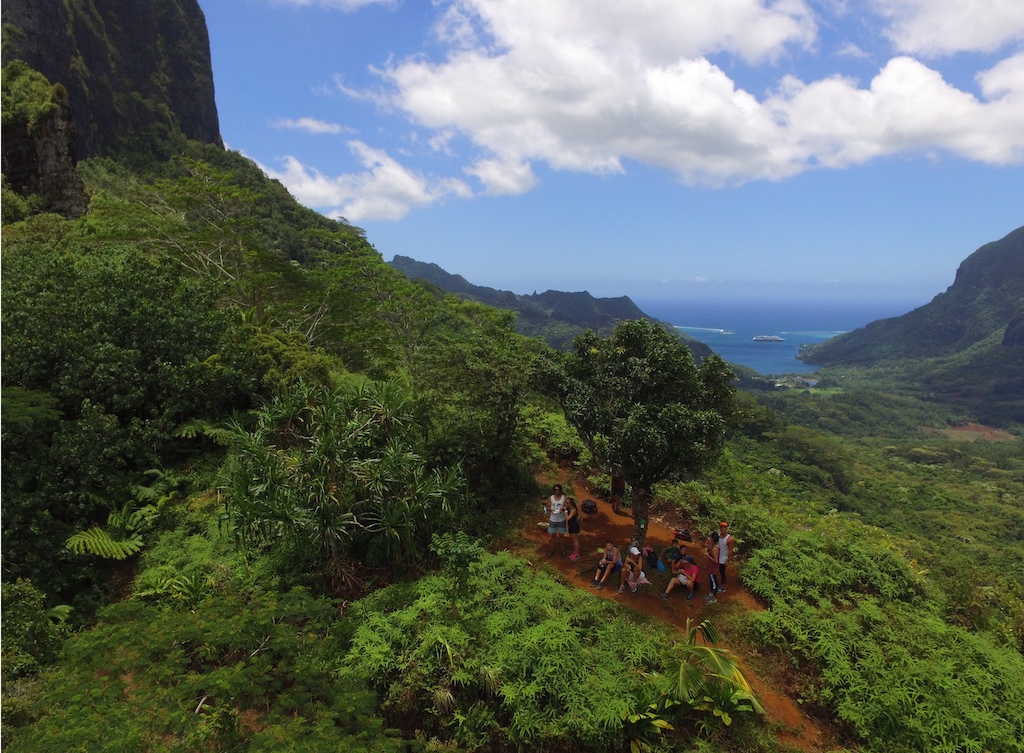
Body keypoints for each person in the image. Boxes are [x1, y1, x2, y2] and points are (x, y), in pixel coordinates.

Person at [544, 484, 567, 556]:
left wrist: (563, 509)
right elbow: (547, 506)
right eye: (556, 490)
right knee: (552, 535)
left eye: (559, 490)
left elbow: (567, 506)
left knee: (561, 535)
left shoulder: (564, 498)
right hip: (553, 518)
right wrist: (550, 509)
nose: (557, 491)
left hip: (561, 519)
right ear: (554, 490)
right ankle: (552, 549)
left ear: (561, 490)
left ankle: (562, 549)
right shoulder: (551, 498)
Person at [704, 531, 721, 603]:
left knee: (714, 582)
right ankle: (711, 593)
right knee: (711, 580)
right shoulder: (714, 546)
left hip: (713, 567)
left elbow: (715, 560)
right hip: (710, 567)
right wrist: (710, 544)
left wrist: (708, 555)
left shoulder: (715, 549)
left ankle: (713, 597)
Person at [718, 521, 734, 591]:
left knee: (722, 572)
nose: (723, 529)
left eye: (724, 527)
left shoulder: (729, 539)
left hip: (723, 558)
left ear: (726, 529)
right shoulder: (718, 536)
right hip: (717, 556)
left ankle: (722, 586)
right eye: (722, 527)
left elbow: (730, 550)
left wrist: (728, 560)